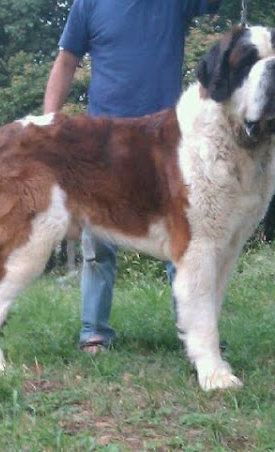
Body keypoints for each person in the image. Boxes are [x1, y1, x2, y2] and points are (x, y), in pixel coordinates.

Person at [44, 0, 222, 354]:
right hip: (104, 142)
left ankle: (194, 334)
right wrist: (47, 121)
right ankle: (94, 330)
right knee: (97, 242)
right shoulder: (88, 4)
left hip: (168, 140)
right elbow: (66, 62)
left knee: (182, 237)